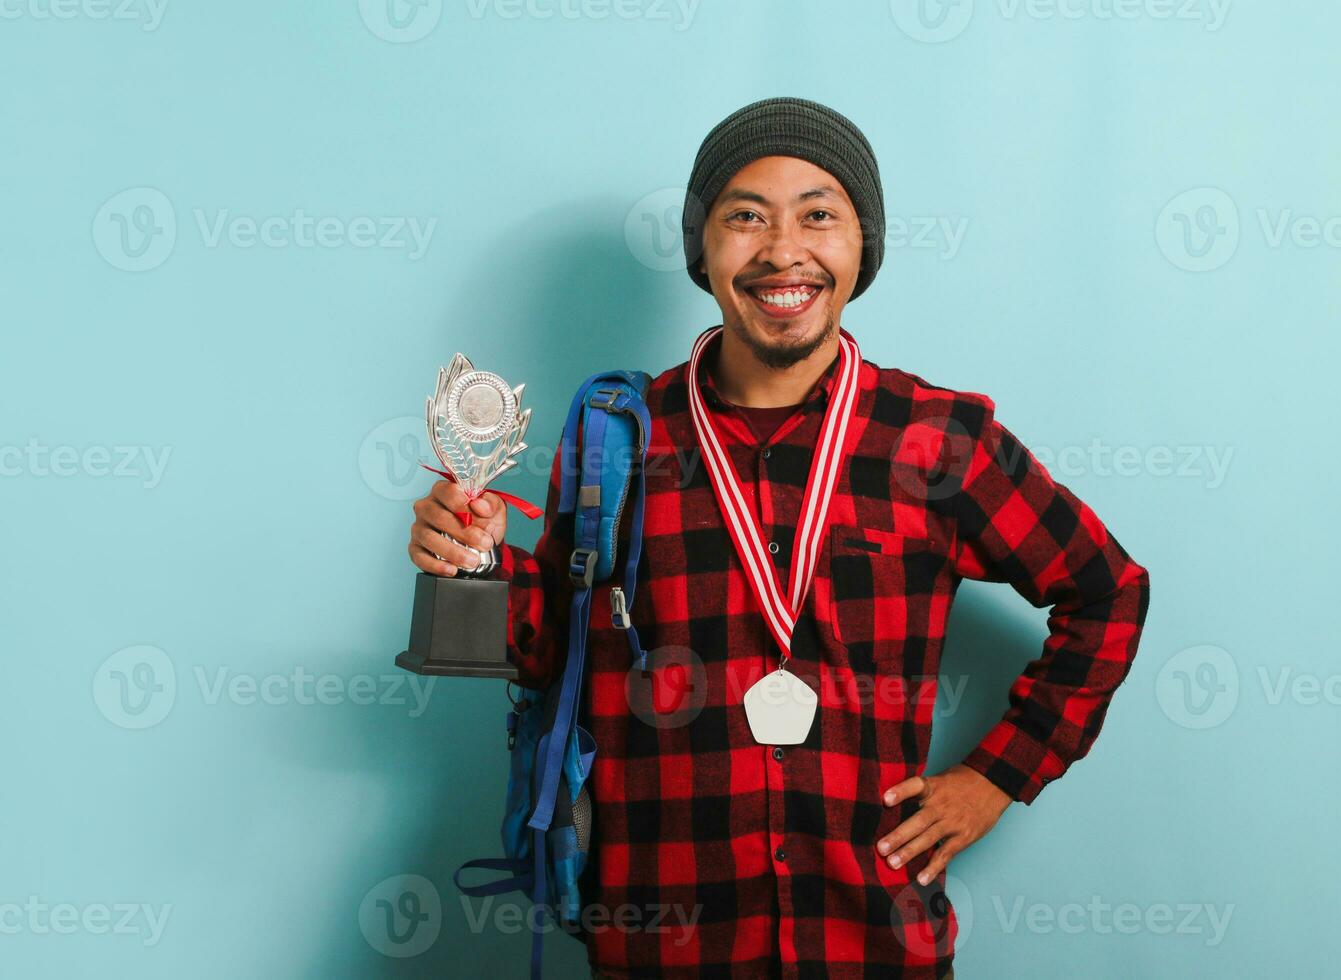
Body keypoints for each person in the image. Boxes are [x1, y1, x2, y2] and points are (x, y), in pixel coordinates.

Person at [408, 97, 1150, 980]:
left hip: (871, 941)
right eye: (745, 217)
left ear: (860, 247)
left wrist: (998, 774)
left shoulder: (936, 439)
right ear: (704, 249)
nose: (783, 249)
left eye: (820, 215)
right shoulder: (618, 436)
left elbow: (1107, 591)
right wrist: (478, 562)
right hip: (662, 940)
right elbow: (558, 656)